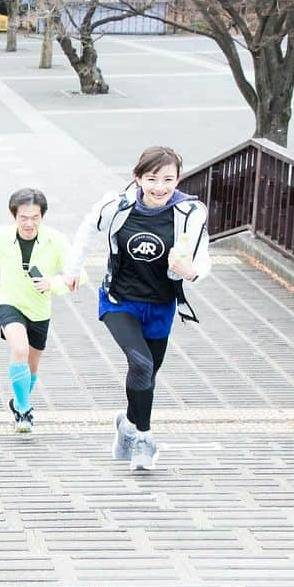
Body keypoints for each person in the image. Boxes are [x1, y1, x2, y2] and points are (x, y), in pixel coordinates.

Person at [63, 146, 211, 471]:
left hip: (160, 305)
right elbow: (88, 228)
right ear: (138, 178)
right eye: (152, 179)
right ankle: (144, 439)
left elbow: (202, 262)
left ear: (178, 179)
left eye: (168, 179)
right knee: (141, 363)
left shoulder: (189, 213)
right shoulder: (117, 206)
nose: (160, 187)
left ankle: (127, 424)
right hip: (119, 300)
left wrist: (189, 271)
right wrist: (72, 270)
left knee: (147, 373)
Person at [0, 189, 85, 432]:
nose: (29, 223)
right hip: (8, 301)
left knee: (31, 367)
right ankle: (23, 412)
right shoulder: (0, 236)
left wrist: (53, 283)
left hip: (40, 309)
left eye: (35, 217)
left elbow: (78, 275)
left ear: (42, 216)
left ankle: (20, 401)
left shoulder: (56, 240)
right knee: (18, 349)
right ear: (14, 216)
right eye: (24, 218)